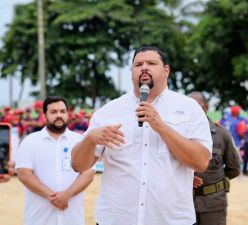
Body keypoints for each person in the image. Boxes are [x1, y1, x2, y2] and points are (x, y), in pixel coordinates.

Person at [71, 46, 212, 225]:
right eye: (138, 64)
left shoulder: (189, 108)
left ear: (166, 70)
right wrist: (90, 139)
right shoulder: (108, 111)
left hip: (172, 220)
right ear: (132, 72)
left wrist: (160, 125)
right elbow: (78, 165)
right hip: (116, 219)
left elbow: (200, 162)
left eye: (151, 63)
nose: (144, 67)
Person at [16, 96, 94, 225]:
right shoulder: (30, 141)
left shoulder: (79, 141)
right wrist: (50, 196)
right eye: (53, 112)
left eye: (62, 111)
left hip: (72, 218)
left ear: (67, 114)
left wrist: (67, 195)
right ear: (45, 115)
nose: (59, 115)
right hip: (39, 218)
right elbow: (23, 174)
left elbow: (88, 172)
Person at [188, 92, 240, 225]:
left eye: (196, 106)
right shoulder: (176, 134)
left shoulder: (222, 134)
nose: (191, 110)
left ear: (205, 108)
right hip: (183, 203)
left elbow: (234, 169)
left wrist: (213, 181)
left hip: (213, 203)